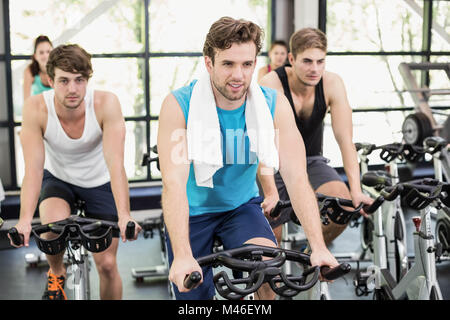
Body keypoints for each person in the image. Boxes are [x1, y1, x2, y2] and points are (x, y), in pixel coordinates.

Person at [157, 17, 338, 300]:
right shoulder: (179, 105)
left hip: (240, 208)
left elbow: (296, 176)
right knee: (191, 294)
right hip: (191, 212)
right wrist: (181, 255)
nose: (239, 75)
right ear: (209, 63)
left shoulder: (272, 104)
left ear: (255, 63)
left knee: (268, 271)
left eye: (247, 64)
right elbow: (174, 184)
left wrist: (318, 246)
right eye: (228, 64)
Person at [8, 44, 141, 300]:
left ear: (88, 79)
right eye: (64, 80)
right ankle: (57, 272)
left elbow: (116, 164)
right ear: (50, 80)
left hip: (100, 181)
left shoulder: (106, 103)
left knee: (108, 265)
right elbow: (33, 170)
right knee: (51, 230)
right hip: (59, 179)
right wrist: (25, 220)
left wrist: (125, 215)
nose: (72, 89)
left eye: (79, 80)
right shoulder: (36, 108)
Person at [258, 28, 373, 246]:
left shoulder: (332, 84)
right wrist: (271, 192)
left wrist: (356, 190)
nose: (315, 69)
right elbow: (262, 144)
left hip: (311, 160)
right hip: (271, 163)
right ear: (291, 59)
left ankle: (311, 259)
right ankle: (273, 272)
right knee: (271, 239)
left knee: (344, 205)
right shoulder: (270, 84)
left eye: (321, 62)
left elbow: (345, 140)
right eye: (308, 61)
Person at [23, 35, 53, 100]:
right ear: (35, 56)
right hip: (37, 109)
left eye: (48, 52)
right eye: (41, 52)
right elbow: (26, 100)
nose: (45, 56)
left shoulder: (59, 69)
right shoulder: (29, 70)